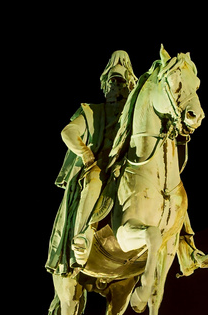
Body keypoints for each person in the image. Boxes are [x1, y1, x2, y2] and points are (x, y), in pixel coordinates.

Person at [46, 51, 137, 277]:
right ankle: (83, 236)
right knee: (94, 181)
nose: (117, 87)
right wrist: (86, 154)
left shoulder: (135, 114)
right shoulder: (92, 111)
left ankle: (186, 246)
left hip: (126, 166)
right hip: (99, 165)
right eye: (113, 82)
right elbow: (68, 132)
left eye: (122, 82)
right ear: (105, 86)